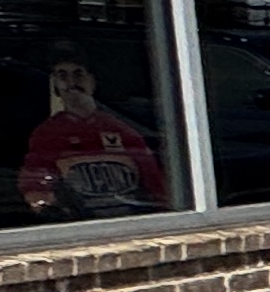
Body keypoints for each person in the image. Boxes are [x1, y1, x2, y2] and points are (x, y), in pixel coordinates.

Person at [17, 54, 165, 217]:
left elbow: (154, 182)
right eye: (63, 76)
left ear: (92, 81)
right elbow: (35, 183)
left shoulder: (121, 129)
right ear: (55, 84)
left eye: (78, 74)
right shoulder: (47, 134)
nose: (71, 82)